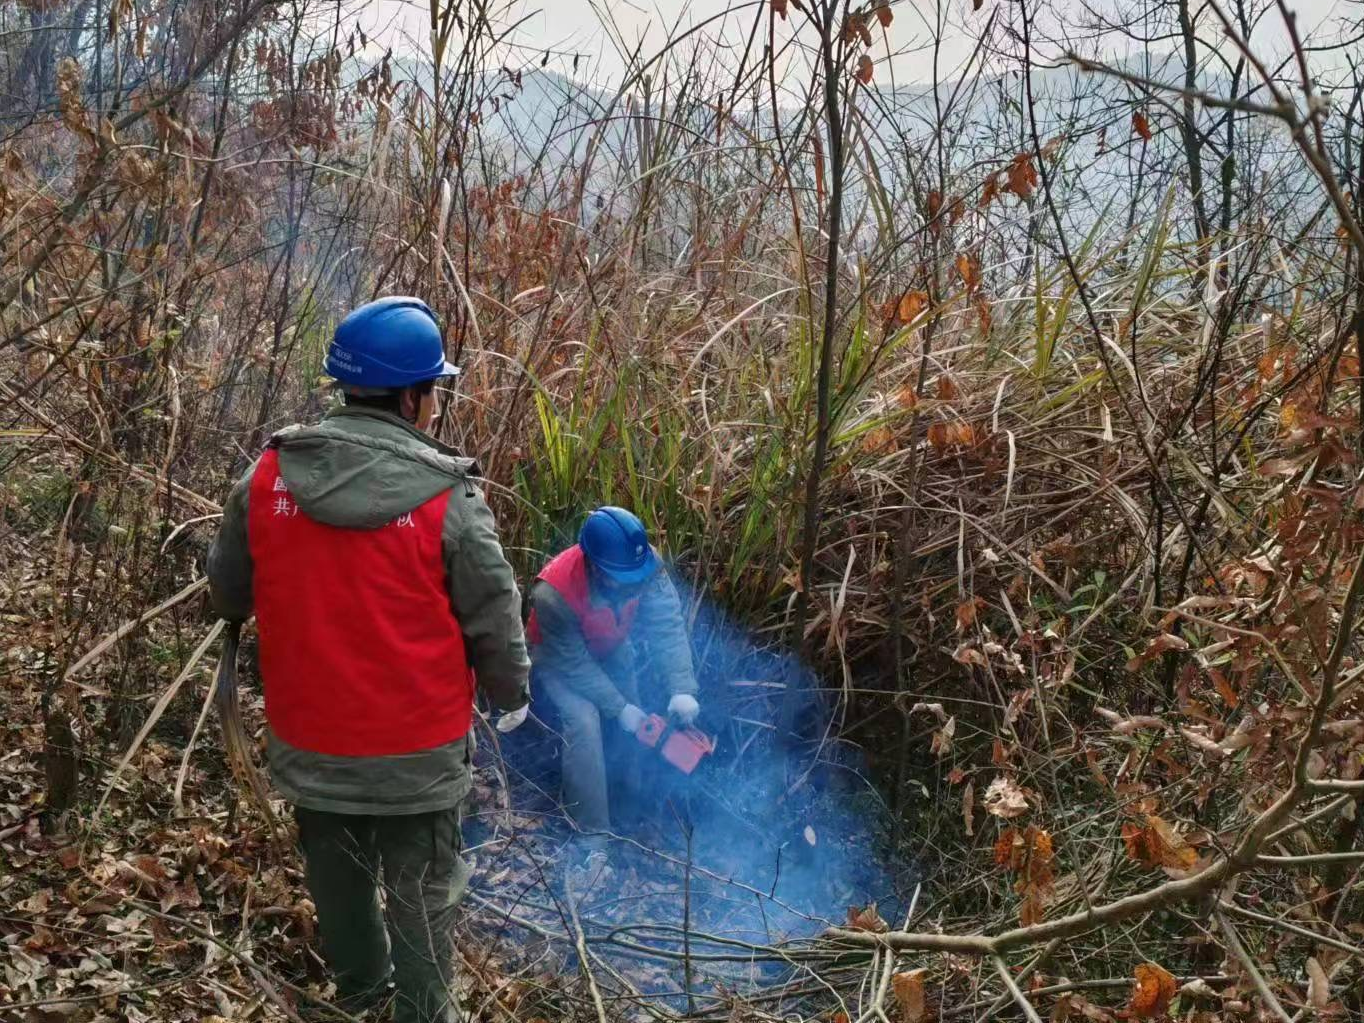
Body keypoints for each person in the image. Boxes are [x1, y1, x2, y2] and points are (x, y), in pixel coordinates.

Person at [206, 296, 530, 1023]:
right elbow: (495, 615)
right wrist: (512, 693)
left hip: (310, 739)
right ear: (414, 396)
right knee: (422, 891)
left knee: (338, 874)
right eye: (432, 389)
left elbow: (228, 589)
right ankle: (421, 1013)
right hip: (415, 750)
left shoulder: (266, 477)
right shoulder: (450, 496)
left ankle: (359, 995)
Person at [526, 507, 700, 859]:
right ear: (594, 565)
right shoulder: (553, 592)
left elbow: (666, 623)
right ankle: (592, 834)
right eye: (622, 577)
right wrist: (619, 708)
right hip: (558, 660)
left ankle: (629, 804)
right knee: (585, 721)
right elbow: (574, 664)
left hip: (610, 647)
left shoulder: (645, 565)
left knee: (638, 722)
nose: (632, 583)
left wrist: (681, 687)